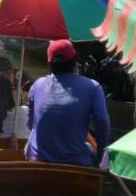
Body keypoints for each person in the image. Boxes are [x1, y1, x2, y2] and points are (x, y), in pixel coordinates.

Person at [25, 39, 112, 167]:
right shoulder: (93, 87)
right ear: (75, 60)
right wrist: (101, 155)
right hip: (75, 162)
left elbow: (30, 123)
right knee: (92, 154)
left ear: (49, 62)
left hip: (37, 159)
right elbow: (103, 122)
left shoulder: (37, 85)